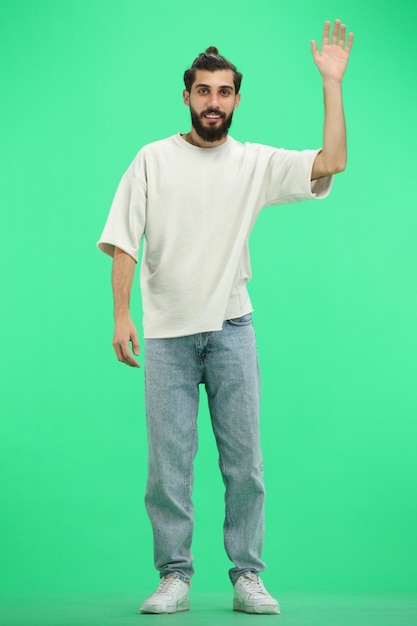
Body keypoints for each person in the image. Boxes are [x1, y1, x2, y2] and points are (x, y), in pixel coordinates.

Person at [97, 19, 353, 615]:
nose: (214, 102)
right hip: (165, 336)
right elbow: (124, 240)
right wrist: (120, 314)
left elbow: (332, 161)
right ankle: (175, 576)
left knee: (245, 464)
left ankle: (247, 576)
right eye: (204, 91)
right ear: (186, 95)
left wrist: (332, 84)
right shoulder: (151, 160)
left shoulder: (253, 163)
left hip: (233, 328)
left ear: (237, 99)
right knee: (167, 468)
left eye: (225, 91)